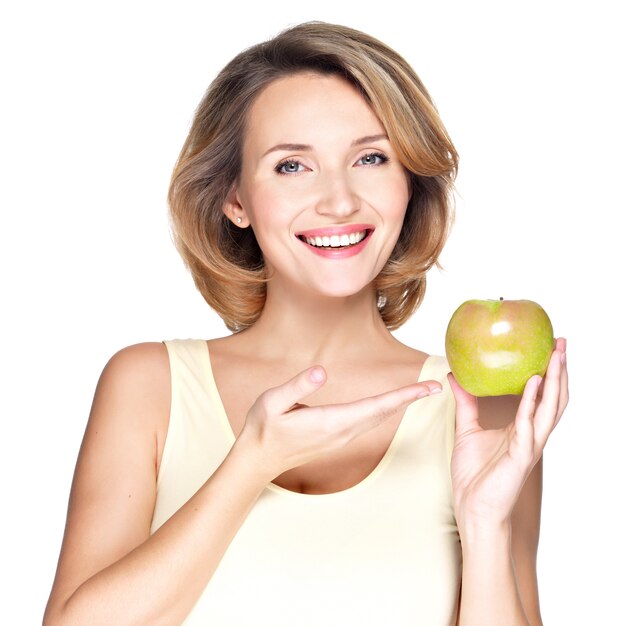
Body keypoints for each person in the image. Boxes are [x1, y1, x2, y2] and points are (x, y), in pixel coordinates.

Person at [43, 21, 568, 626]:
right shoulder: (147, 385)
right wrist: (248, 466)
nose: (339, 201)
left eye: (371, 157)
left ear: (409, 185)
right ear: (234, 198)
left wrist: (485, 526)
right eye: (293, 166)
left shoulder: (480, 406)